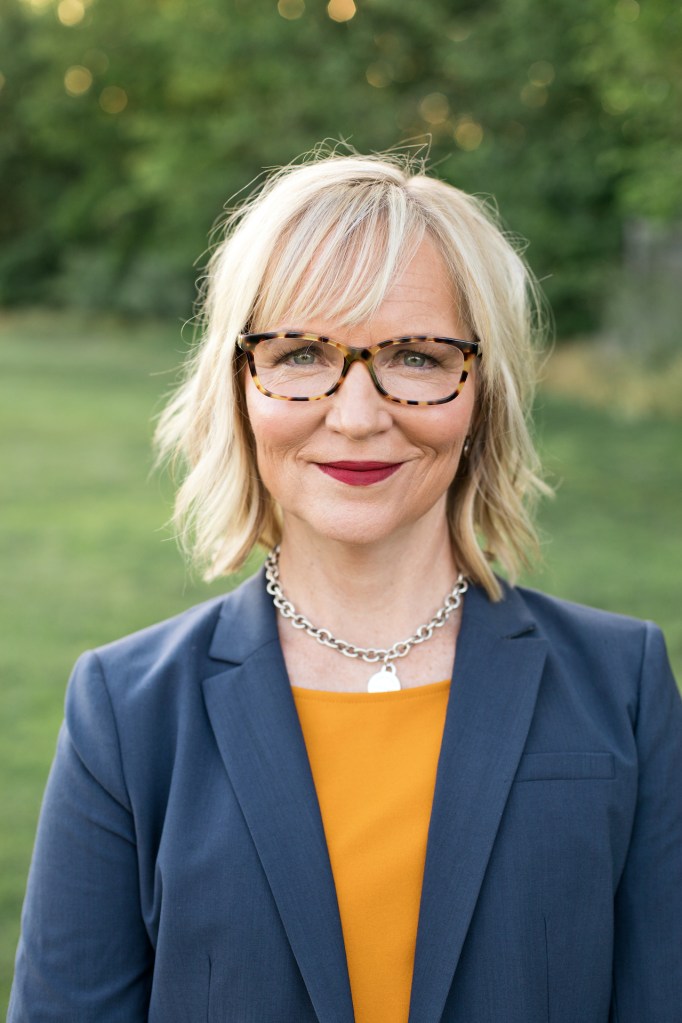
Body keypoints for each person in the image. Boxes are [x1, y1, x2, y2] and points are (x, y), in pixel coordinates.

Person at [9, 152, 682, 1023]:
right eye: (298, 353)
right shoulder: (128, 712)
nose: (359, 415)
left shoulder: (621, 687)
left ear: (484, 391)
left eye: (413, 355)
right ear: (240, 388)